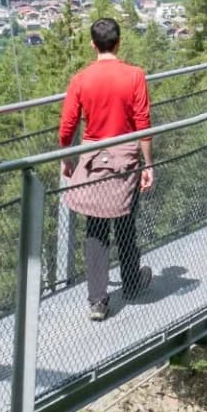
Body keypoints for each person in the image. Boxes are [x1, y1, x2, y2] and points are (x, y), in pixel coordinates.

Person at [59, 17, 155, 321]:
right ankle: (131, 283)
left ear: (92, 44)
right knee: (126, 221)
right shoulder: (135, 76)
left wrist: (67, 157)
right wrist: (148, 164)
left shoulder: (81, 79)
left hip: (92, 155)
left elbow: (67, 125)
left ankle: (98, 300)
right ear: (118, 42)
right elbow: (143, 123)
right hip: (125, 156)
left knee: (96, 227)